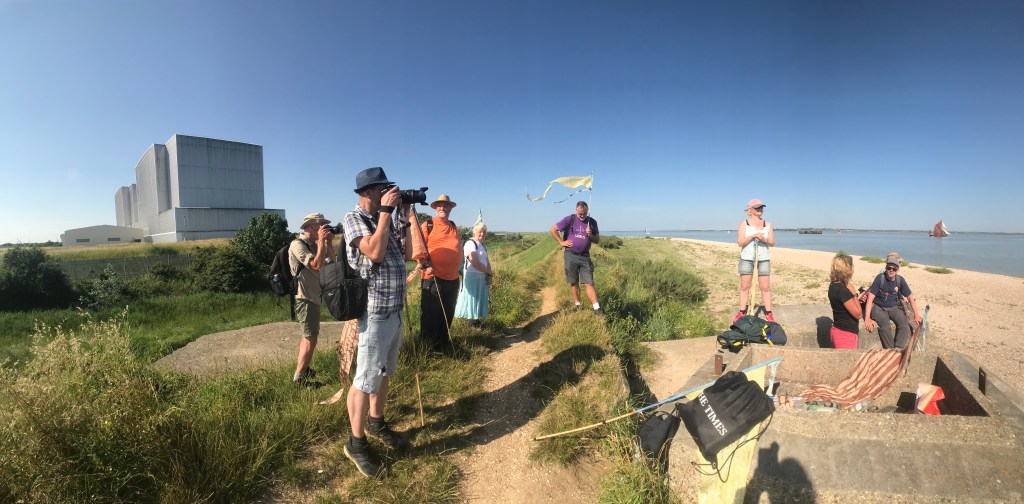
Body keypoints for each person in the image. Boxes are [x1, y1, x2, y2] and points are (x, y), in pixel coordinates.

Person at [341, 167, 414, 478]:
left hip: (394, 310)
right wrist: (386, 212)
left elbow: (409, 253)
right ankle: (356, 444)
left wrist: (406, 215)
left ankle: (376, 422)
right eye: (383, 189)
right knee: (364, 379)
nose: (389, 194)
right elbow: (373, 252)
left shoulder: (386, 217)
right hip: (374, 313)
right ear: (368, 192)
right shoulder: (353, 218)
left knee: (384, 372)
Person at [289, 212, 335, 385]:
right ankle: (299, 378)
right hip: (305, 297)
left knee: (307, 337)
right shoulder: (297, 244)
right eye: (320, 226)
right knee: (311, 338)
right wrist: (322, 242)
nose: (323, 229)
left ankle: (305, 368)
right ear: (309, 228)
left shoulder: (315, 245)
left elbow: (331, 263)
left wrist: (328, 243)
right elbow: (315, 265)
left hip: (314, 296)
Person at [414, 194, 462, 351]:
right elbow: (418, 248)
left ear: (450, 209)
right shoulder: (428, 225)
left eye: (446, 205)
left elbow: (458, 248)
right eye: (440, 205)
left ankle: (443, 344)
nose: (443, 208)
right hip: (433, 278)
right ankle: (428, 349)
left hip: (453, 279)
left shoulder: (453, 226)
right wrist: (424, 264)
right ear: (435, 208)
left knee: (447, 313)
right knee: (430, 315)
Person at [550, 200, 602, 314]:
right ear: (576, 210)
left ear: (587, 210)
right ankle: (578, 305)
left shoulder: (592, 222)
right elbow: (553, 229)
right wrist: (561, 242)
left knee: (589, 282)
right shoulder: (569, 219)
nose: (582, 215)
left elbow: (597, 240)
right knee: (574, 281)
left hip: (585, 256)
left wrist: (590, 235)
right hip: (570, 255)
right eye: (580, 213)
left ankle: (597, 308)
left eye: (584, 213)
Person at [864, 256, 922, 349]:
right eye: (889, 268)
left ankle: (898, 348)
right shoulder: (880, 278)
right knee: (885, 325)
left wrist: (916, 315)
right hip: (879, 307)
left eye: (894, 269)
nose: (891, 270)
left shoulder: (900, 280)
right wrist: (867, 318)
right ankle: (890, 350)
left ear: (897, 270)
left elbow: (910, 296)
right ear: (886, 268)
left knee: (904, 324)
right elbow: (870, 298)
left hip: (893, 307)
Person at [733, 199, 775, 323]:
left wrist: (764, 240)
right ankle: (742, 311)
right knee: (745, 286)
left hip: (763, 259)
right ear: (750, 210)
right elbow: (740, 242)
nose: (760, 209)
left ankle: (769, 313)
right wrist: (753, 236)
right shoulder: (744, 224)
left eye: (761, 207)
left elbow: (772, 243)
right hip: (747, 259)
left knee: (765, 287)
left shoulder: (768, 225)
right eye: (757, 207)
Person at [454, 221, 493, 326]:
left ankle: (476, 321)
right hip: (472, 276)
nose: (482, 234)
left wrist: (489, 274)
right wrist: (488, 272)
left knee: (479, 298)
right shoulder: (470, 244)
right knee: (472, 298)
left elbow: (486, 260)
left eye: (484, 232)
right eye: (480, 231)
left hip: (481, 276)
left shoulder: (482, 244)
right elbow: (475, 262)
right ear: (474, 232)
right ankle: (472, 323)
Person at [828, 253, 866, 349]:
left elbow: (842, 305)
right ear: (847, 269)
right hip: (845, 335)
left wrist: (855, 299)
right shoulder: (843, 290)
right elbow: (858, 314)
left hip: (837, 330)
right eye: (852, 266)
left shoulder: (833, 285)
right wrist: (854, 294)